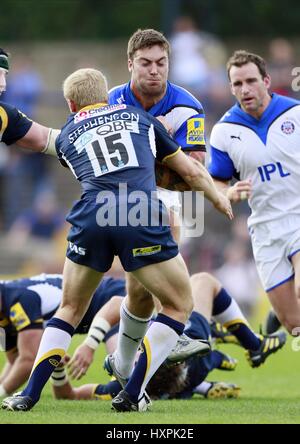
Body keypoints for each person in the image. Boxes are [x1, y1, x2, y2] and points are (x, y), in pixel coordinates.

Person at [1, 68, 232, 413]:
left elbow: (48, 144)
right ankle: (132, 393)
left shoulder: (68, 133)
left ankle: (28, 395)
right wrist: (217, 198)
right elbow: (191, 170)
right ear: (107, 97)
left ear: (70, 103)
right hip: (137, 212)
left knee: (69, 308)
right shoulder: (139, 117)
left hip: (91, 214)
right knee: (178, 305)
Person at [208, 49, 300, 335]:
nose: (245, 89)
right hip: (265, 229)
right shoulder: (224, 132)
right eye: (237, 84)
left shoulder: (295, 114)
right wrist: (228, 192)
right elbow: (215, 182)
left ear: (267, 81)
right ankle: (280, 314)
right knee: (294, 325)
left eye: (251, 81)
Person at [0, 273, 126, 397]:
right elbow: (14, 361)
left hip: (110, 299)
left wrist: (2, 392)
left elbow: (28, 360)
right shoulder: (4, 309)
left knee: (125, 381)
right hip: (88, 312)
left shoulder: (18, 300)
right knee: (118, 388)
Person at [0, 48, 59, 158]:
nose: (3, 84)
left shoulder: (5, 115)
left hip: (26, 116)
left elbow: (46, 138)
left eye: (5, 75)